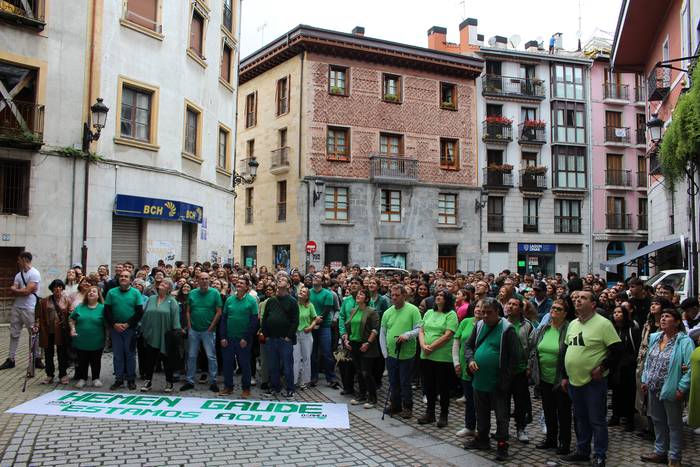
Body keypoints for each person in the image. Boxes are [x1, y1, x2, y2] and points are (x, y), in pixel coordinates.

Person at [561, 290, 622, 467]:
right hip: (574, 381)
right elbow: (566, 350)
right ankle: (582, 451)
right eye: (577, 298)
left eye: (583, 298)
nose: (578, 300)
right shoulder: (572, 324)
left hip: (593, 383)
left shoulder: (603, 324)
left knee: (597, 420)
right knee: (580, 418)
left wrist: (603, 367)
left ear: (593, 304)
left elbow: (617, 350)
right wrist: (564, 376)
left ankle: (600, 455)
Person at [463, 298, 520, 461]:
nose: (485, 316)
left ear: (498, 312)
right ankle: (482, 440)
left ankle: (502, 445)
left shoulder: (507, 329)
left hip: (498, 382)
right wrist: (471, 360)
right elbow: (468, 346)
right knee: (481, 412)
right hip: (479, 380)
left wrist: (505, 380)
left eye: (489, 313)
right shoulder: (479, 325)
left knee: (501, 416)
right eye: (483, 312)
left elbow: (514, 359)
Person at [640, 308, 694, 467]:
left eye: (667, 316)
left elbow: (689, 368)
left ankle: (675, 456)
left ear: (677, 322)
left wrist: (681, 388)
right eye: (662, 316)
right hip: (653, 386)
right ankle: (660, 451)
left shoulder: (684, 342)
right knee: (657, 421)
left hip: (671, 388)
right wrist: (644, 379)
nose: (663, 319)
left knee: (674, 424)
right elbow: (648, 361)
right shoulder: (655, 338)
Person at [530, 299, 571, 455]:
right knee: (548, 410)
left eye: (559, 309)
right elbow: (534, 347)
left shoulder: (568, 329)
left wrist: (565, 377)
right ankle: (551, 439)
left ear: (565, 313)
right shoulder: (544, 328)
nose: (554, 310)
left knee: (563, 413)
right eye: (553, 307)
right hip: (544, 378)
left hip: (560, 379)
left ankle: (564, 442)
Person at [380, 284, 422, 419]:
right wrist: (385, 353)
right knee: (393, 381)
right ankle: (395, 404)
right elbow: (383, 333)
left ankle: (407, 406)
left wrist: (408, 335)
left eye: (397, 295)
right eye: (392, 295)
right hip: (391, 354)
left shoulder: (413, 310)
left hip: (407, 353)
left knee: (405, 381)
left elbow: (419, 329)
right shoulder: (388, 312)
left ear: (404, 295)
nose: (394, 298)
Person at [418, 290, 458, 427]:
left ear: (447, 300)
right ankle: (430, 413)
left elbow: (448, 335)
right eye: (437, 296)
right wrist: (423, 344)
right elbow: (421, 330)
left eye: (441, 296)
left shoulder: (451, 314)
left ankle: (443, 414)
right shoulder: (429, 312)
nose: (438, 298)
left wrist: (432, 347)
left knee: (443, 387)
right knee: (429, 386)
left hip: (442, 356)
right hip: (426, 354)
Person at [1, 251, 43, 371]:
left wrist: (18, 290)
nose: (18, 261)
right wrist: (20, 290)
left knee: (34, 333)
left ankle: (37, 358)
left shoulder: (34, 273)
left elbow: (26, 291)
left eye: (19, 259)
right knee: (14, 333)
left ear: (24, 259)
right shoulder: (18, 275)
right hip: (17, 307)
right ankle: (11, 359)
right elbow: (15, 289)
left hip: (29, 308)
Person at [181, 272, 222, 392]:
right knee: (192, 355)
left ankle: (213, 381)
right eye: (202, 279)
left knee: (211, 356)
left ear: (209, 280)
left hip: (208, 330)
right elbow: (188, 311)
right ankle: (190, 381)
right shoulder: (192, 293)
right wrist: (189, 325)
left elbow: (219, 311)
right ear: (197, 280)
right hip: (193, 329)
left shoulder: (215, 293)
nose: (204, 281)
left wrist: (212, 326)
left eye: (206, 279)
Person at [219, 277, 259, 398]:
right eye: (237, 283)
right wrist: (223, 337)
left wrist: (245, 338)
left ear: (247, 287)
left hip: (243, 340)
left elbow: (254, 322)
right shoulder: (229, 300)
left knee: (245, 364)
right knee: (227, 364)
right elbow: (224, 319)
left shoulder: (252, 301)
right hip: (229, 338)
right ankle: (228, 387)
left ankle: (246, 389)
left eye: (242, 283)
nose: (239, 284)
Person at [139, 278, 181, 393]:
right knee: (150, 360)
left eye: (166, 283)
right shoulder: (151, 299)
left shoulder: (172, 301)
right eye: (162, 282)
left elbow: (176, 319)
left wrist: (175, 333)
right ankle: (148, 381)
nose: (162, 283)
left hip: (165, 335)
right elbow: (144, 314)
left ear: (169, 289)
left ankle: (169, 382)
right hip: (151, 333)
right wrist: (142, 330)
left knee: (167, 360)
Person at [104, 269, 143, 390]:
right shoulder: (111, 292)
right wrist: (114, 324)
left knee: (130, 354)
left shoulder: (136, 293)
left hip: (130, 329)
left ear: (130, 279)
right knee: (117, 355)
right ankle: (119, 379)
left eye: (126, 276)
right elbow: (107, 311)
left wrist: (127, 324)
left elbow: (139, 312)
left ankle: (131, 379)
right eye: (121, 276)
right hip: (115, 330)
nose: (123, 278)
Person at [261, 276, 298, 397]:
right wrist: (266, 335)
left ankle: (290, 388)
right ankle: (275, 387)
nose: (279, 281)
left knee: (287, 366)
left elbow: (295, 321)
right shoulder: (271, 300)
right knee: (273, 365)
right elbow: (265, 319)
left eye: (283, 280)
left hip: (285, 339)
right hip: (271, 339)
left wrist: (288, 336)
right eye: (279, 280)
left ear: (288, 286)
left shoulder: (292, 301)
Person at [504, 296, 535, 443]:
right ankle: (502, 428)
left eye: (514, 304)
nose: (510, 306)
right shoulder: (500, 323)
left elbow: (532, 347)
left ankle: (520, 428)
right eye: (509, 303)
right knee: (503, 401)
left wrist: (529, 365)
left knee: (520, 401)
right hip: (503, 369)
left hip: (520, 370)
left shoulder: (527, 325)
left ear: (521, 309)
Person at [345, 288, 381, 408]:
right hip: (354, 344)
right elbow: (349, 326)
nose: (358, 296)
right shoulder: (353, 310)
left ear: (366, 299)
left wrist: (368, 343)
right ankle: (362, 395)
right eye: (358, 294)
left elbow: (375, 329)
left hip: (366, 345)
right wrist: (346, 339)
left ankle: (373, 398)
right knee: (359, 372)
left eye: (361, 294)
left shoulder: (372, 311)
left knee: (367, 372)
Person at [608, 305, 641, 431]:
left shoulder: (633, 329)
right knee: (616, 393)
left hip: (629, 367)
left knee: (629, 394)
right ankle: (615, 416)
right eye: (615, 312)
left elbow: (636, 348)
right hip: (615, 366)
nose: (616, 314)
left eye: (619, 312)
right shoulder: (612, 329)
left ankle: (629, 419)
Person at [453, 299, 482, 437]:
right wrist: (456, 362)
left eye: (482, 307)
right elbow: (457, 342)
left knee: (481, 400)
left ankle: (482, 428)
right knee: (469, 398)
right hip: (465, 366)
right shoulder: (465, 322)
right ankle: (469, 426)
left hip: (481, 368)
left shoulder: (490, 324)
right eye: (477, 306)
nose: (478, 309)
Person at [35, 279, 72, 385]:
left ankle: (63, 374)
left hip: (61, 331)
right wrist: (37, 324)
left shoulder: (67, 300)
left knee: (62, 354)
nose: (58, 289)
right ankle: (49, 375)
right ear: (52, 288)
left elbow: (71, 315)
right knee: (48, 354)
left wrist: (70, 313)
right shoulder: (44, 301)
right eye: (55, 287)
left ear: (62, 288)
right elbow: (38, 315)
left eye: (60, 287)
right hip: (48, 331)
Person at [69, 285, 105, 387]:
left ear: (98, 296)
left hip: (97, 340)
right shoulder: (80, 307)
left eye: (94, 291)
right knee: (82, 360)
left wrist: (108, 338)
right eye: (89, 291)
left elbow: (107, 324)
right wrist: (72, 329)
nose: (91, 293)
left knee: (96, 360)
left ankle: (95, 378)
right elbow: (72, 319)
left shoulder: (103, 308)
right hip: (81, 340)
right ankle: (82, 379)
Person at [309, 273, 339, 388]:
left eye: (318, 278)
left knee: (326, 352)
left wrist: (316, 321)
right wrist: (313, 323)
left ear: (322, 281)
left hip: (324, 325)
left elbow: (326, 312)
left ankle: (331, 378)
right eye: (314, 277)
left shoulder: (328, 294)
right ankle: (313, 377)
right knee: (313, 353)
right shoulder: (308, 292)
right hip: (311, 326)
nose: (315, 278)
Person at [293, 286, 319, 391]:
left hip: (306, 334)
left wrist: (311, 327)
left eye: (304, 292)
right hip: (295, 334)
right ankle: (294, 381)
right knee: (295, 358)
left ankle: (304, 381)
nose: (301, 292)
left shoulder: (310, 306)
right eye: (301, 291)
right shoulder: (294, 304)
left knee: (306, 358)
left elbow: (315, 319)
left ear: (307, 296)